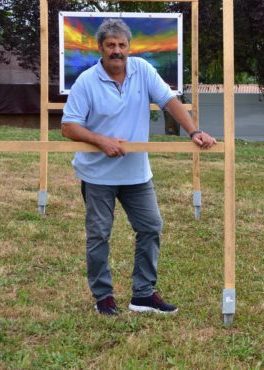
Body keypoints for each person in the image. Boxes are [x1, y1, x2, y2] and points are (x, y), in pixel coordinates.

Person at [61, 18, 216, 316]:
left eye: (122, 45)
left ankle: (143, 295)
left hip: (136, 173)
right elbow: (68, 126)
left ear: (129, 47)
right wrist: (101, 141)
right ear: (100, 48)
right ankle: (103, 297)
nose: (117, 51)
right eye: (111, 45)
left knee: (150, 227)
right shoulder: (86, 81)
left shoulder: (142, 70)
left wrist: (194, 131)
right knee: (99, 234)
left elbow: (169, 101)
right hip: (97, 174)